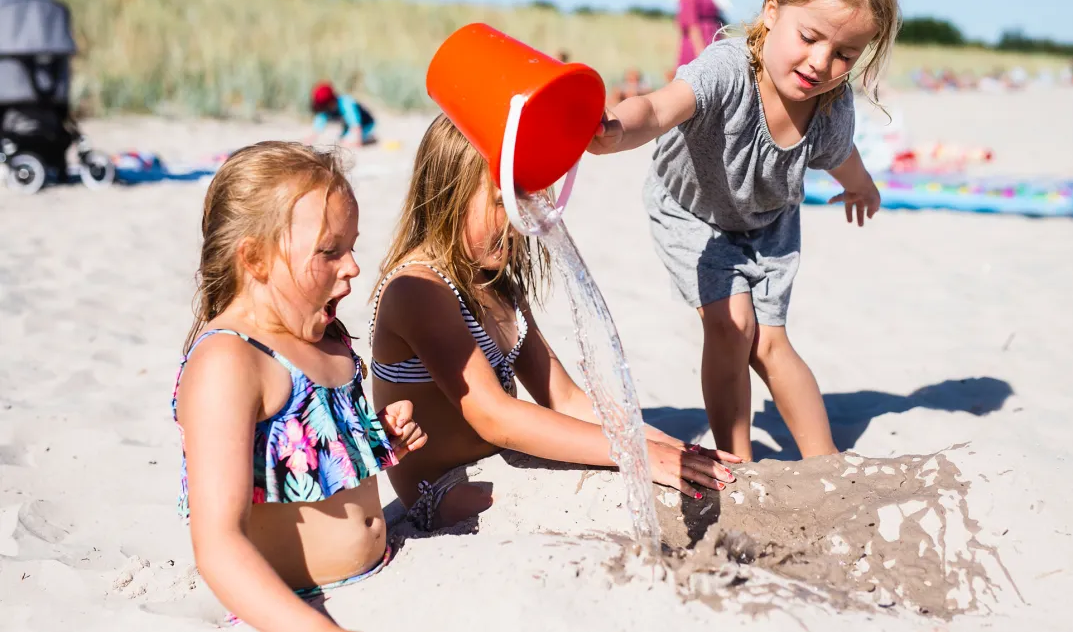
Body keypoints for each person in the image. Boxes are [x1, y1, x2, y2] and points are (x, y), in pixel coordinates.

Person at [590, 0, 899, 461]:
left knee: (771, 342)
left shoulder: (828, 106)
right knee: (733, 327)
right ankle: (739, 462)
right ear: (773, 10)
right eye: (809, 36)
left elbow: (840, 153)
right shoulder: (728, 69)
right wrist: (616, 128)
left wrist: (861, 186)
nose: (820, 63)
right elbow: (661, 107)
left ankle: (828, 464)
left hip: (767, 223)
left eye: (844, 53)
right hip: (692, 212)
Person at [367, 115, 740, 531]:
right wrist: (637, 454)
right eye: (500, 202)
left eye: (524, 202)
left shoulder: (495, 282)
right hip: (444, 491)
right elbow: (495, 416)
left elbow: (562, 397)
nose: (518, 223)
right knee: (628, 495)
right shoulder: (418, 290)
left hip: (499, 462)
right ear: (446, 195)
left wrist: (657, 441)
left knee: (661, 480)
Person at [172, 142, 426, 631]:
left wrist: (375, 442)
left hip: (382, 574)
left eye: (353, 246)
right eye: (329, 251)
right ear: (256, 259)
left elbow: (310, 457)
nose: (352, 266)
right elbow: (219, 544)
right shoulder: (231, 361)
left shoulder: (325, 336)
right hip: (294, 608)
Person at [307, 82, 377, 147]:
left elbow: (355, 125)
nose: (322, 109)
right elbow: (317, 128)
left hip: (366, 125)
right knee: (342, 140)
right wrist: (307, 141)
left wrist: (357, 141)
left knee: (348, 141)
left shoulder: (346, 103)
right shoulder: (326, 108)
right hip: (348, 128)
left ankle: (369, 137)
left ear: (330, 102)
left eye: (322, 106)